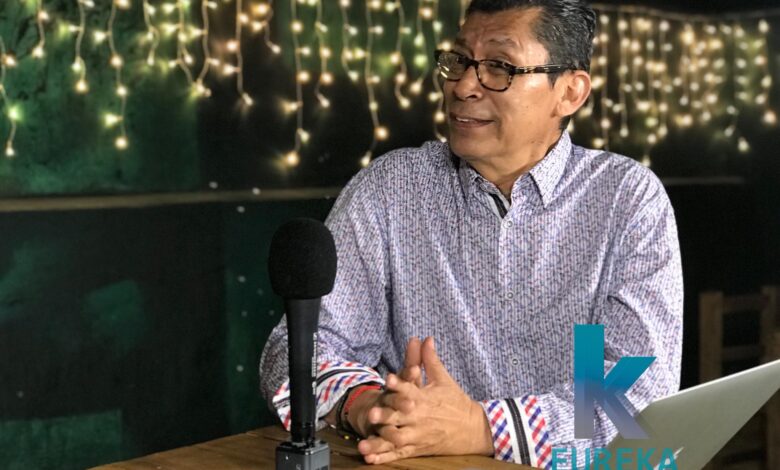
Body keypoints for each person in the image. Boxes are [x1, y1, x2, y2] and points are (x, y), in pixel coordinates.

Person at [260, 0, 683, 468]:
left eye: (500, 66)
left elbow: (636, 397)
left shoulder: (626, 197)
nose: (462, 86)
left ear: (569, 92)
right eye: (460, 60)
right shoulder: (390, 189)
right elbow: (295, 352)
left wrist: (480, 428)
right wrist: (368, 406)